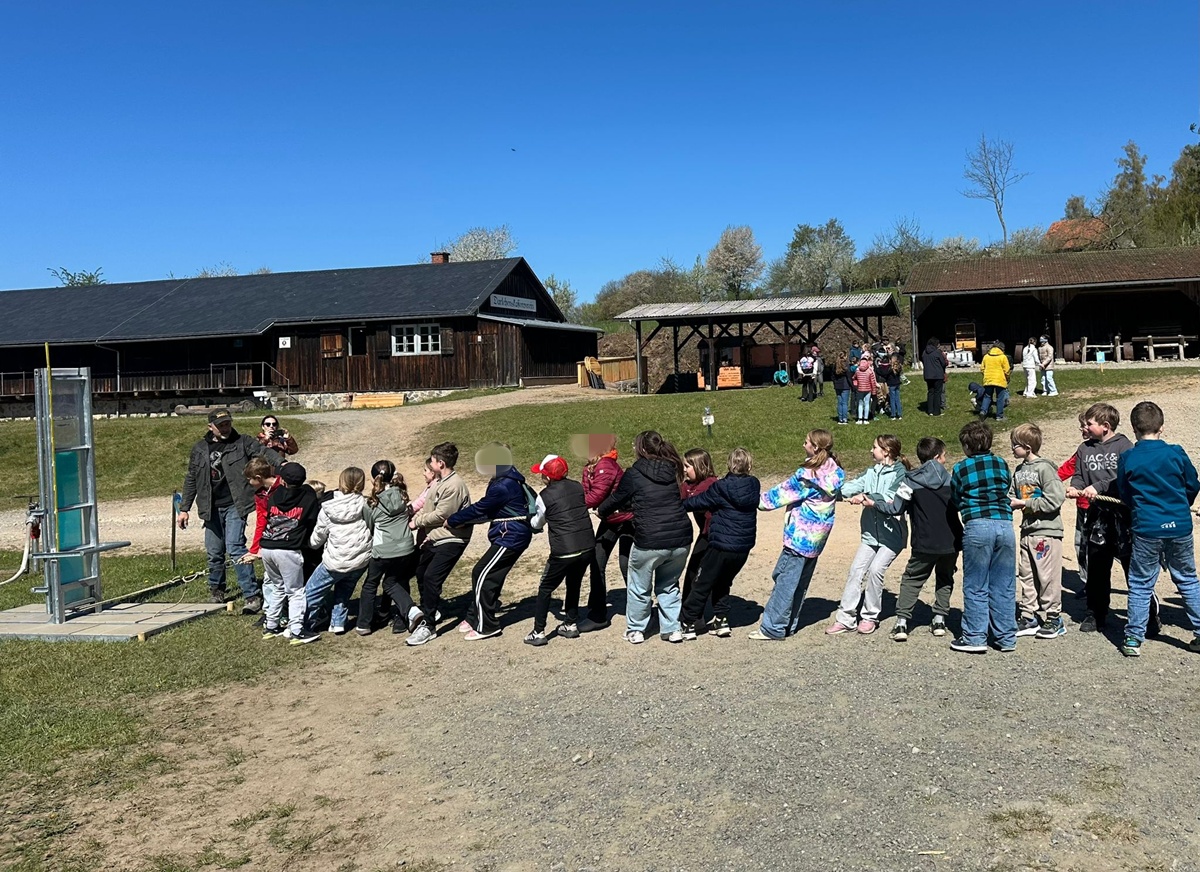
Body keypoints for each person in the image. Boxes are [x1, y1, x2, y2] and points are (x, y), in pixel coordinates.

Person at [1117, 401, 1200, 657]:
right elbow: (1192, 484)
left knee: (1141, 583)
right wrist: (1181, 505)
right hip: (1179, 526)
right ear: (1161, 427)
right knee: (1187, 578)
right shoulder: (1176, 453)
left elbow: (1124, 493)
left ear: (1134, 428)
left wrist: (1139, 508)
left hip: (1146, 527)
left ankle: (1133, 638)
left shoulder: (1128, 457)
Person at [178, 408, 282, 613]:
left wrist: (283, 463)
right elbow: (191, 479)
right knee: (214, 552)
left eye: (228, 423)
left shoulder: (242, 442)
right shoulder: (199, 449)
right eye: (221, 425)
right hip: (210, 507)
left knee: (235, 547)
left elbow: (264, 453)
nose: (225, 427)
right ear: (211, 427)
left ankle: (251, 595)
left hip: (236, 504)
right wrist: (184, 509)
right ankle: (216, 591)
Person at [597, 430, 693, 645]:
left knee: (639, 585)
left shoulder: (634, 473)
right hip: (681, 538)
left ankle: (636, 629)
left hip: (651, 539)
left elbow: (618, 498)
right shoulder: (672, 470)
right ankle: (672, 629)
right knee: (669, 584)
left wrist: (601, 511)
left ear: (640, 449)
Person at [750, 430, 845, 641]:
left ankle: (773, 628)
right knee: (800, 582)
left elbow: (778, 495)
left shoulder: (807, 477)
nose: (803, 445)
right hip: (817, 539)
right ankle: (788, 625)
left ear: (815, 448)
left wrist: (750, 498)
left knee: (784, 579)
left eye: (806, 443)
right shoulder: (834, 471)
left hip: (800, 537)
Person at [867, 437, 961, 641]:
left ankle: (902, 623)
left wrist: (874, 503)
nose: (945, 460)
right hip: (951, 540)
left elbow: (895, 508)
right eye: (944, 456)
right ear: (937, 457)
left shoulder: (909, 481)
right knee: (945, 577)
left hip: (924, 541)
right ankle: (939, 619)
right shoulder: (952, 480)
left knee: (912, 579)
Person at [447, 443, 535, 641]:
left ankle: (486, 626)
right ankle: (474, 616)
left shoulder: (503, 485)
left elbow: (481, 509)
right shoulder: (504, 478)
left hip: (511, 536)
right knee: (492, 576)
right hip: (508, 534)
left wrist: (453, 519)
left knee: (481, 573)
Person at [827, 435, 911, 635]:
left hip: (892, 537)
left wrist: (866, 497)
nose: (870, 451)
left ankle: (869, 617)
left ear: (887, 451)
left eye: (874, 447)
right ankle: (845, 618)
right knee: (856, 570)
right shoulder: (871, 472)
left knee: (875, 571)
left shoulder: (902, 474)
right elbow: (853, 486)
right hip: (870, 535)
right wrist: (831, 491)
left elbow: (891, 498)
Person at [1066, 403, 1136, 633]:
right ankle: (1095, 613)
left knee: (1131, 565)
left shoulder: (1125, 447)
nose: (1084, 428)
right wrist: (1075, 487)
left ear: (1105, 426)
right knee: (1097, 564)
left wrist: (1099, 486)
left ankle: (1144, 614)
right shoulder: (1084, 449)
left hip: (1123, 514)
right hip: (1097, 516)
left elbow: (1123, 478)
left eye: (1089, 424)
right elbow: (1078, 474)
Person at [949, 421, 1017, 654]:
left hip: (978, 525)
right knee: (1004, 582)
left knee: (976, 583)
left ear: (967, 445)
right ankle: (1006, 636)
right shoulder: (1000, 462)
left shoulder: (961, 468)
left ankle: (975, 636)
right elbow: (1007, 485)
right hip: (1005, 524)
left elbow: (956, 496)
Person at [679, 447, 760, 639]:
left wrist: (677, 505)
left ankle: (689, 622)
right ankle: (721, 619)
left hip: (721, 545)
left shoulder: (721, 487)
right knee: (723, 581)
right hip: (743, 547)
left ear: (730, 464)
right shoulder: (754, 485)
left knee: (702, 581)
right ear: (749, 465)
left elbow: (697, 502)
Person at [524, 454, 597, 647]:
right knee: (574, 583)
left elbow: (537, 522)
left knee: (545, 587)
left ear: (547, 477)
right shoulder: (577, 487)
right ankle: (571, 624)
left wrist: (527, 519)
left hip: (564, 550)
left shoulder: (544, 496)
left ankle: (538, 631)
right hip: (587, 546)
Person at [406, 442, 473, 646]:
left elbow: (442, 514)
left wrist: (416, 522)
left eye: (433, 460)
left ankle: (428, 626)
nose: (430, 463)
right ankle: (432, 611)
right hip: (436, 537)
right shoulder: (439, 481)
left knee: (431, 577)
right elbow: (427, 505)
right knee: (421, 572)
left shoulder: (454, 485)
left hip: (452, 538)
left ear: (441, 463)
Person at [1008, 424, 1067, 640]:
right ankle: (1028, 615)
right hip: (1027, 531)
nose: (1012, 450)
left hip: (1047, 532)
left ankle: (1054, 617)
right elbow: (1012, 494)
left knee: (1047, 575)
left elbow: (1055, 498)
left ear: (1027, 447)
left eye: (1014, 446)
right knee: (1027, 573)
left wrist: (1025, 503)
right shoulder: (1019, 471)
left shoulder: (1045, 469)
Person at [304, 467, 372, 635]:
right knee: (345, 588)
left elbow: (318, 537)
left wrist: (310, 545)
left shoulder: (328, 507)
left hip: (335, 560)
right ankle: (338, 622)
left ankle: (304, 624)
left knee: (312, 591)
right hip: (361, 558)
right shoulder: (366, 503)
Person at [259, 462, 321, 645]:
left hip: (267, 547)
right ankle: (297, 630)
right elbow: (312, 518)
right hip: (288, 550)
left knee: (277, 586)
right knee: (295, 591)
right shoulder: (308, 497)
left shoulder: (275, 495)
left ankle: (270, 626)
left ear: (283, 480)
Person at [358, 460, 418, 636]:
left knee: (371, 584)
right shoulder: (402, 494)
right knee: (398, 580)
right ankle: (400, 620)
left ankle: (364, 623)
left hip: (383, 549)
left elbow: (370, 526)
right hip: (406, 546)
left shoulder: (372, 502)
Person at [581, 434, 633, 632]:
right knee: (597, 561)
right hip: (610, 520)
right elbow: (588, 492)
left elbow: (595, 497)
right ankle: (597, 614)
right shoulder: (591, 467)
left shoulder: (607, 466)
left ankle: (641, 610)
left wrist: (572, 503)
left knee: (626, 564)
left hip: (626, 520)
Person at [1057, 413, 1091, 597]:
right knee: (1081, 545)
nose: (1081, 429)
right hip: (1083, 506)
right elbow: (1067, 468)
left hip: (1099, 507)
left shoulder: (1112, 450)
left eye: (1085, 425)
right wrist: (1047, 481)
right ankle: (1088, 582)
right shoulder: (1082, 449)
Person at [680, 448, 718, 606]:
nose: (684, 470)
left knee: (699, 573)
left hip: (716, 536)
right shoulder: (689, 485)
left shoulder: (709, 484)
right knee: (693, 571)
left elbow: (695, 500)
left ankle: (694, 614)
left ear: (700, 466)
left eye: (687, 466)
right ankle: (688, 610)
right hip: (706, 534)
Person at [979, 341, 1011, 421]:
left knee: (987, 396)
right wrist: (1007, 378)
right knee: (1000, 398)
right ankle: (999, 416)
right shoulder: (1003, 357)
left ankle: (983, 411)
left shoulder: (986, 356)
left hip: (988, 379)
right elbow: (1007, 370)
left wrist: (986, 375)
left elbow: (982, 369)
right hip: (1000, 380)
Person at [921, 337, 949, 417]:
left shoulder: (924, 352)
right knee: (937, 393)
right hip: (937, 375)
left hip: (928, 375)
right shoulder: (937, 352)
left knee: (930, 392)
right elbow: (943, 363)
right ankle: (937, 411)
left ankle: (930, 411)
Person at [852, 355, 878, 425]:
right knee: (867, 404)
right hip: (868, 389)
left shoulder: (857, 370)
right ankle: (866, 419)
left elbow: (854, 377)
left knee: (860, 404)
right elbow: (872, 381)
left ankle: (860, 419)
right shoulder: (870, 370)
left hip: (860, 389)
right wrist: (874, 391)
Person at [831, 353, 852, 426]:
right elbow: (849, 377)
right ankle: (845, 419)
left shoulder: (835, 365)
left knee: (840, 402)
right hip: (845, 385)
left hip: (837, 386)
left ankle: (840, 419)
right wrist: (852, 386)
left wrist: (834, 383)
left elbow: (832, 376)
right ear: (845, 357)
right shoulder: (846, 366)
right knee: (845, 403)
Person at [884, 353, 903, 420]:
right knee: (897, 399)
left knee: (892, 399)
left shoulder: (890, 368)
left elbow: (885, 374)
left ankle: (893, 414)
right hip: (897, 384)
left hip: (892, 385)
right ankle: (899, 414)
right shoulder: (899, 366)